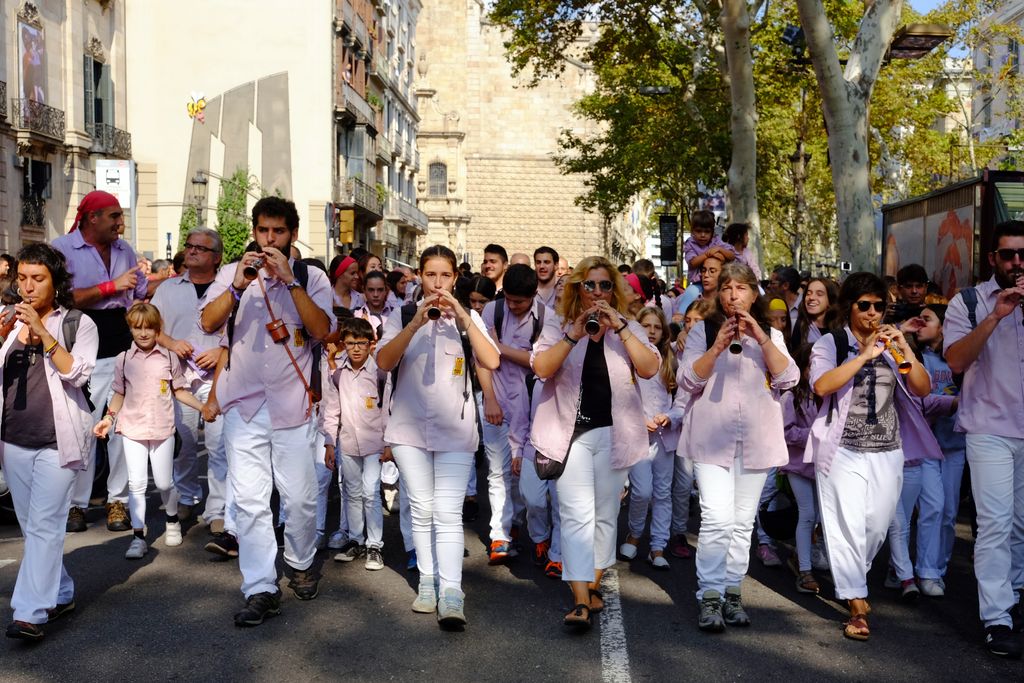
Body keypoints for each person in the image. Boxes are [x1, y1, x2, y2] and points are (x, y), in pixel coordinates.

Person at [200, 197, 335, 627]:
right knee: (252, 501)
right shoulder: (231, 274)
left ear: (291, 234)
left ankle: (299, 560)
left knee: (298, 496)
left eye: (277, 232)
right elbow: (207, 323)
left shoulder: (311, 277)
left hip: (292, 404)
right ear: (253, 232)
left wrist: (290, 280)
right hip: (244, 405)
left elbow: (321, 330)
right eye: (262, 231)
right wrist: (238, 286)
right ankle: (260, 586)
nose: (269, 239)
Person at [530, 256, 659, 631]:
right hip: (569, 436)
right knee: (574, 516)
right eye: (589, 285)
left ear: (613, 290)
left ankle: (593, 584)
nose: (597, 292)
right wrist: (574, 333)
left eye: (604, 286)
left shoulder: (628, 326)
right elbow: (541, 369)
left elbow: (649, 368)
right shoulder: (558, 325)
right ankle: (581, 600)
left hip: (615, 434)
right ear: (577, 289)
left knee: (605, 515)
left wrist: (620, 327)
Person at [376, 245, 500, 628]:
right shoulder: (402, 313)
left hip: (454, 429)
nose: (438, 283)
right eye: (431, 275)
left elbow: (491, 360)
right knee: (421, 508)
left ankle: (452, 591)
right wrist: (416, 322)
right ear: (420, 275)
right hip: (408, 430)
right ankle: (427, 582)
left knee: (447, 513)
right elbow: (383, 362)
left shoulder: (469, 318)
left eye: (445, 276)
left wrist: (462, 314)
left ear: (455, 278)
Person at [807, 272, 933, 642]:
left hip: (888, 449)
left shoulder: (892, 343)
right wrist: (864, 355)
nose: (873, 313)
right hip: (842, 449)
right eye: (865, 305)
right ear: (849, 307)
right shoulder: (832, 342)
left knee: (876, 526)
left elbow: (922, 388)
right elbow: (821, 385)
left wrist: (905, 350)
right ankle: (857, 603)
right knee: (846, 524)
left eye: (880, 306)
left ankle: (850, 573)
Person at [679, 262, 797, 632]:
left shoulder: (770, 336)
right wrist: (715, 346)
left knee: (742, 522)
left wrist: (760, 337)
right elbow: (687, 379)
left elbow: (789, 377)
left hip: (756, 439)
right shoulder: (703, 330)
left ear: (754, 293)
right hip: (711, 437)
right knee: (716, 517)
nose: (733, 295)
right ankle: (709, 595)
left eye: (741, 288)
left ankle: (732, 590)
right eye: (727, 288)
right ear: (718, 294)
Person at [1, 244, 98, 641]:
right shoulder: (5, 321)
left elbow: (79, 374)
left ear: (55, 282)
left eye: (37, 279)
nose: (27, 287)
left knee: (44, 526)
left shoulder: (79, 323)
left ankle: (30, 612)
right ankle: (60, 591)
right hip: (13, 440)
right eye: (21, 278)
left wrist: (42, 333)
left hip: (59, 440)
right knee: (33, 527)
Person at [944, 219, 1024, 658]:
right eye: (1008, 254)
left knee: (1020, 523)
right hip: (988, 428)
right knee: (995, 523)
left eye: (1022, 255)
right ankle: (996, 617)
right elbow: (955, 361)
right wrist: (997, 315)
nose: (1016, 262)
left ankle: (1012, 597)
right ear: (993, 258)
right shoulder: (969, 302)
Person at [52, 191, 150, 534]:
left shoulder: (124, 250)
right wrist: (111, 286)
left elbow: (135, 295)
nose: (120, 223)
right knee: (83, 424)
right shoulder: (62, 248)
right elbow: (62, 297)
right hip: (80, 336)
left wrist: (141, 285)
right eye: (114, 216)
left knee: (120, 424)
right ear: (92, 218)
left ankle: (117, 499)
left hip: (119, 337)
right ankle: (76, 504)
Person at [93, 304, 206, 560]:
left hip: (162, 428)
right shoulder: (123, 359)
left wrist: (204, 407)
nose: (143, 333)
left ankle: (172, 519)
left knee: (165, 482)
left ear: (158, 329)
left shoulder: (169, 358)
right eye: (137, 327)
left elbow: (179, 391)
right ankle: (138, 536)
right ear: (130, 328)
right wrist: (109, 419)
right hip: (131, 428)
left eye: (149, 328)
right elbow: (119, 394)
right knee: (136, 484)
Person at [151, 228, 226, 523]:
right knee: (183, 443)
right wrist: (171, 343)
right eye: (189, 245)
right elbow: (149, 326)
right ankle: (187, 495)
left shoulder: (228, 290)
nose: (192, 250)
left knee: (218, 446)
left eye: (200, 248)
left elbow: (242, 333)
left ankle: (217, 510)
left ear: (216, 257)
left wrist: (221, 353)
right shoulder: (168, 289)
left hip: (218, 378)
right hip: (179, 378)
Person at [479, 264, 543, 563]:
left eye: (521, 302)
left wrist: (500, 346)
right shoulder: (492, 311)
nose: (514, 307)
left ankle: (518, 523)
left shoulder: (545, 317)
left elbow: (540, 363)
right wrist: (489, 399)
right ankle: (499, 536)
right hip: (497, 401)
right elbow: (482, 358)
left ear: (534, 295)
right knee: (497, 472)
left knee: (524, 474)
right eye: (510, 300)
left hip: (533, 407)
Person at [905, 303, 964, 597]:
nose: (920, 323)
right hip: (926, 444)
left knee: (949, 511)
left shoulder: (958, 361)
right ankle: (924, 571)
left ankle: (938, 568)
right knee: (931, 507)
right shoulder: (916, 358)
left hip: (954, 445)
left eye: (927, 319)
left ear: (943, 327)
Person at [322, 318, 389, 571]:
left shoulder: (379, 372)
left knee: (370, 492)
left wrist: (388, 443)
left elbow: (388, 409)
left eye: (361, 343)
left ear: (371, 344)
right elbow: (332, 409)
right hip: (348, 443)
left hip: (374, 443)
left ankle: (375, 545)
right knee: (351, 492)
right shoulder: (338, 374)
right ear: (343, 345)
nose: (356, 349)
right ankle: (356, 539)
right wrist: (329, 442)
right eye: (350, 344)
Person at [622, 306, 679, 569]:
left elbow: (681, 402)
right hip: (637, 437)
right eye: (647, 327)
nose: (652, 332)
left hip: (664, 437)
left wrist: (670, 416)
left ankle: (658, 546)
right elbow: (622, 399)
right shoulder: (629, 359)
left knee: (662, 493)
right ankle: (634, 534)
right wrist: (637, 420)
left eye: (657, 327)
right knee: (642, 490)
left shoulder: (670, 360)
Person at [780, 344, 823, 594]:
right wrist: (815, 435)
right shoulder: (792, 396)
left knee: (819, 517)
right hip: (798, 464)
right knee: (807, 514)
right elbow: (786, 432)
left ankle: (800, 556)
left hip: (823, 464)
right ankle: (805, 572)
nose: (815, 370)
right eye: (811, 365)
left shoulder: (831, 394)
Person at [790, 277, 840, 350]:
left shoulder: (842, 327)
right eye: (808, 293)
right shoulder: (800, 325)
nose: (811, 297)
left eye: (819, 294)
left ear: (830, 300)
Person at [768, 267, 802, 332]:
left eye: (772, 283)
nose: (768, 286)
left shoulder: (806, 306)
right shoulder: (767, 304)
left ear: (785, 285)